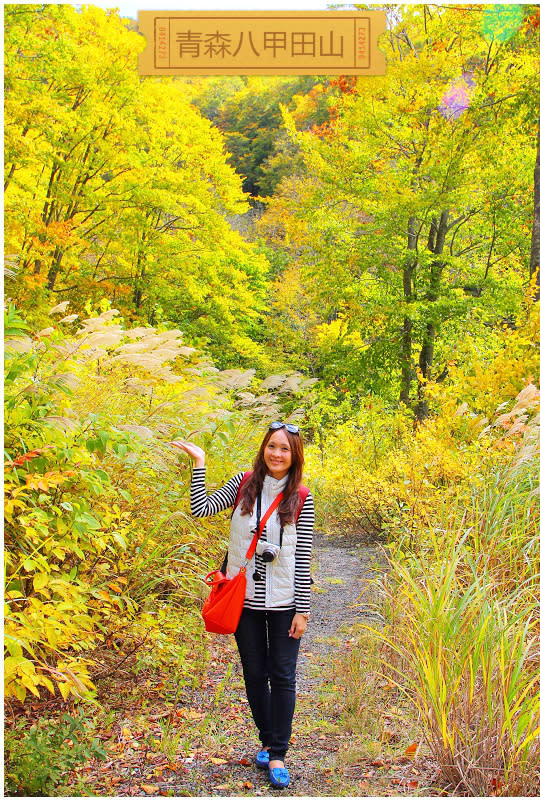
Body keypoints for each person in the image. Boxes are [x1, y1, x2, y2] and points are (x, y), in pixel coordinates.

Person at [171, 422, 314, 789]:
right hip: (244, 600)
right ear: (263, 448)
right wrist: (199, 462)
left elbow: (303, 558)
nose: (277, 454)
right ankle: (268, 740)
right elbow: (201, 508)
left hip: (284, 602)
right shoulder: (243, 482)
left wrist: (303, 608)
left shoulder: (301, 497)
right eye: (272, 446)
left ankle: (278, 753)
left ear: (294, 455)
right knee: (254, 673)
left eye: (284, 449)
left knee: (282, 675)